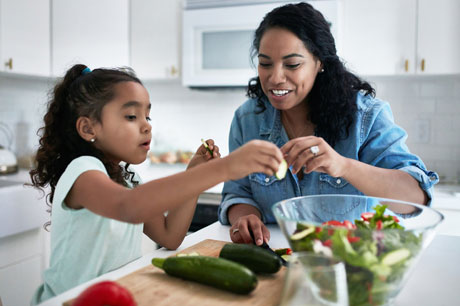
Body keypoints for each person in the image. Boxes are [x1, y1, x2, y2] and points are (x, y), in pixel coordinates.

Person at [29, 64, 284, 304]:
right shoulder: (83, 171)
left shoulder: (129, 180)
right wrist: (225, 167)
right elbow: (128, 207)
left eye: (147, 117)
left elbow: (169, 235)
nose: (146, 127)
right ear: (88, 128)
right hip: (67, 301)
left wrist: (194, 174)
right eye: (131, 116)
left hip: (114, 296)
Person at [218, 2, 439, 246]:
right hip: (274, 262)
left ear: (320, 62)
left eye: (292, 64)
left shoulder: (366, 116)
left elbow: (415, 198)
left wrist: (343, 166)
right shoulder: (246, 119)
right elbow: (238, 193)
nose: (275, 77)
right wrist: (246, 216)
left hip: (350, 265)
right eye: (265, 63)